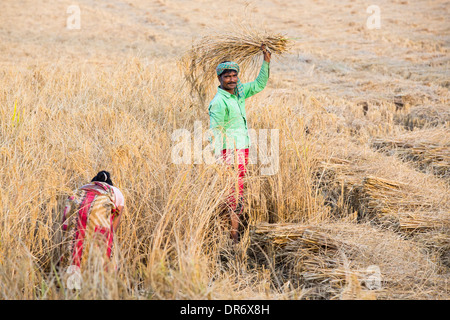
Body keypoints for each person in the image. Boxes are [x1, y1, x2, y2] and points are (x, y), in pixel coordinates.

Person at [209, 44, 271, 243]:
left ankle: (229, 230)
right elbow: (215, 131)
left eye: (234, 76)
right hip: (229, 151)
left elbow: (260, 85)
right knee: (232, 192)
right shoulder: (219, 102)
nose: (232, 80)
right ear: (219, 79)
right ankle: (233, 235)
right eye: (227, 77)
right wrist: (219, 156)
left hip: (241, 148)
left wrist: (266, 62)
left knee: (237, 190)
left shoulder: (240, 91)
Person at [59, 170, 125, 287]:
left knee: (73, 244)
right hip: (99, 211)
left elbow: (65, 222)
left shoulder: (81, 189)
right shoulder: (116, 192)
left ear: (93, 182)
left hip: (74, 208)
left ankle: (70, 285)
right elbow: (113, 227)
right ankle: (96, 285)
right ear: (110, 184)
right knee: (100, 248)